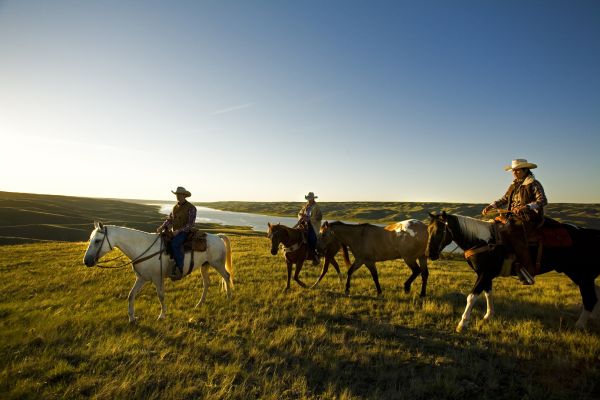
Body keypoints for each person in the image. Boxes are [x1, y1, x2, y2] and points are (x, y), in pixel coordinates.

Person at [482, 159, 548, 285]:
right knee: (495, 226)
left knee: (512, 230)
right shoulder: (513, 185)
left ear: (525, 170)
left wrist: (526, 207)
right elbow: (504, 199)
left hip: (529, 218)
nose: (514, 173)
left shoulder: (534, 183)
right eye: (513, 170)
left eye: (517, 170)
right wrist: (491, 206)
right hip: (513, 216)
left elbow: (543, 201)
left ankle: (527, 270)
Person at [157, 187, 197, 279]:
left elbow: (190, 224)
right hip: (174, 231)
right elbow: (170, 219)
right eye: (177, 195)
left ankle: (180, 269)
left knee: (175, 244)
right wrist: (162, 226)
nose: (177, 196)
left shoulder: (191, 208)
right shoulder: (175, 207)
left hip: (185, 232)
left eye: (179, 195)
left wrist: (178, 231)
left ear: (184, 195)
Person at [297, 192, 323, 265]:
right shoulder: (305, 206)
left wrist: (309, 219)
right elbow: (299, 213)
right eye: (308, 198)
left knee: (312, 239)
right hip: (304, 225)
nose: (309, 199)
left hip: (313, 226)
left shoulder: (316, 207)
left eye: (310, 198)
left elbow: (319, 217)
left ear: (313, 198)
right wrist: (301, 217)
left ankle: (315, 255)